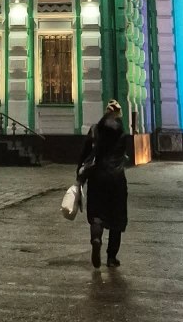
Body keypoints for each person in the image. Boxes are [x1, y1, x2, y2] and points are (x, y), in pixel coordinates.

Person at [77, 99, 128, 269]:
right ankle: (111, 258)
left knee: (97, 214)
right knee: (116, 218)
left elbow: (85, 154)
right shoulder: (122, 133)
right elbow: (123, 155)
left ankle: (96, 239)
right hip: (117, 179)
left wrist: (79, 177)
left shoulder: (94, 130)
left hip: (97, 178)